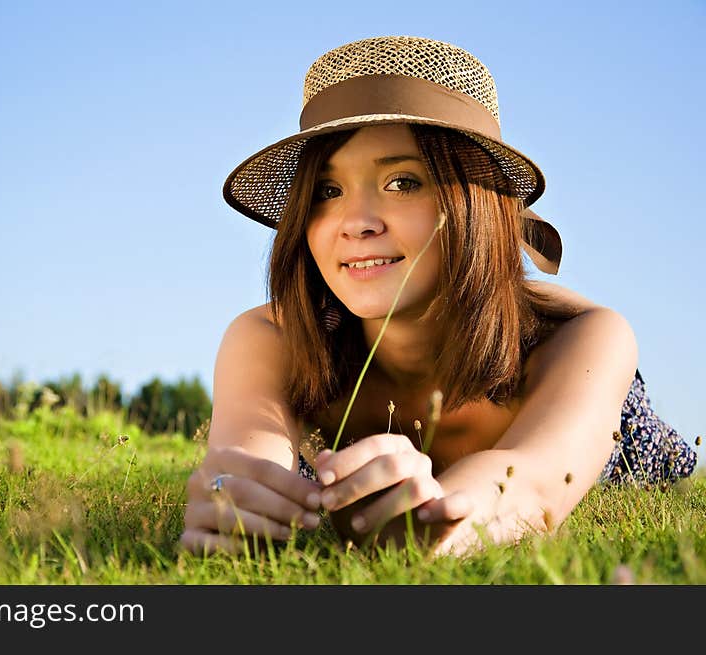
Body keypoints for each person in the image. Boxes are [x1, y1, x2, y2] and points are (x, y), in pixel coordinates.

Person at [180, 36, 698, 557]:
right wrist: (240, 498)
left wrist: (443, 522)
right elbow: (251, 456)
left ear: (472, 201)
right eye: (327, 191)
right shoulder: (272, 336)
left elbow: (529, 488)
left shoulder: (579, 336)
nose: (355, 223)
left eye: (402, 182)